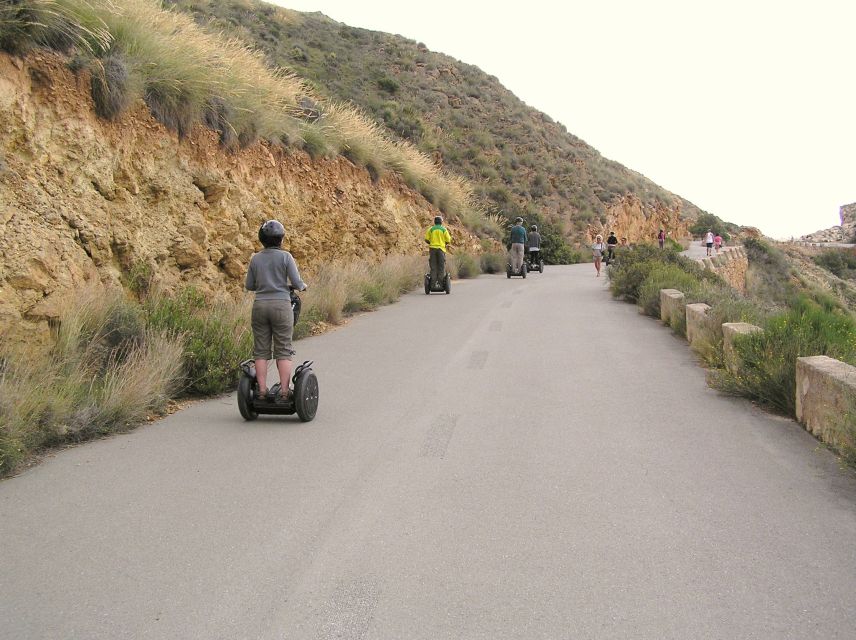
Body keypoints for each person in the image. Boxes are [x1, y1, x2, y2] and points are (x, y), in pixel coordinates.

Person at [245, 219, 307, 401]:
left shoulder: (255, 258)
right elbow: (296, 282)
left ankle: (262, 391)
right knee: (283, 350)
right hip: (281, 305)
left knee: (261, 350)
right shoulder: (286, 257)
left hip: (260, 306)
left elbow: (249, 285)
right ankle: (285, 392)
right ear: (281, 239)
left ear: (261, 239)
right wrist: (302, 286)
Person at [424, 215, 452, 287]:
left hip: (432, 249)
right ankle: (441, 284)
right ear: (441, 222)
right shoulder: (444, 229)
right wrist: (444, 243)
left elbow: (426, 239)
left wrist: (431, 243)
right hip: (441, 249)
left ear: (435, 222)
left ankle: (432, 285)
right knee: (441, 267)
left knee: (433, 267)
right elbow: (448, 240)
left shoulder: (431, 229)